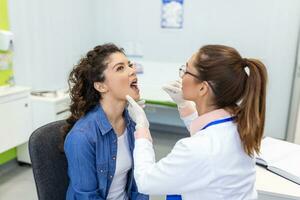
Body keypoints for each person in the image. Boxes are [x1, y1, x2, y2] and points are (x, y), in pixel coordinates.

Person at [126, 44, 267, 200]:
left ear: (202, 88)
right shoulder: (240, 126)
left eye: (186, 70)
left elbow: (146, 182)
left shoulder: (197, 149)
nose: (181, 76)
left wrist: (141, 127)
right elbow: (209, 134)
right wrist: (185, 106)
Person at [62, 43, 149, 200]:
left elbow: (139, 184)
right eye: (120, 68)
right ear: (101, 86)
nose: (132, 70)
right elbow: (87, 197)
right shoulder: (81, 137)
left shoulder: (133, 123)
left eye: (129, 65)